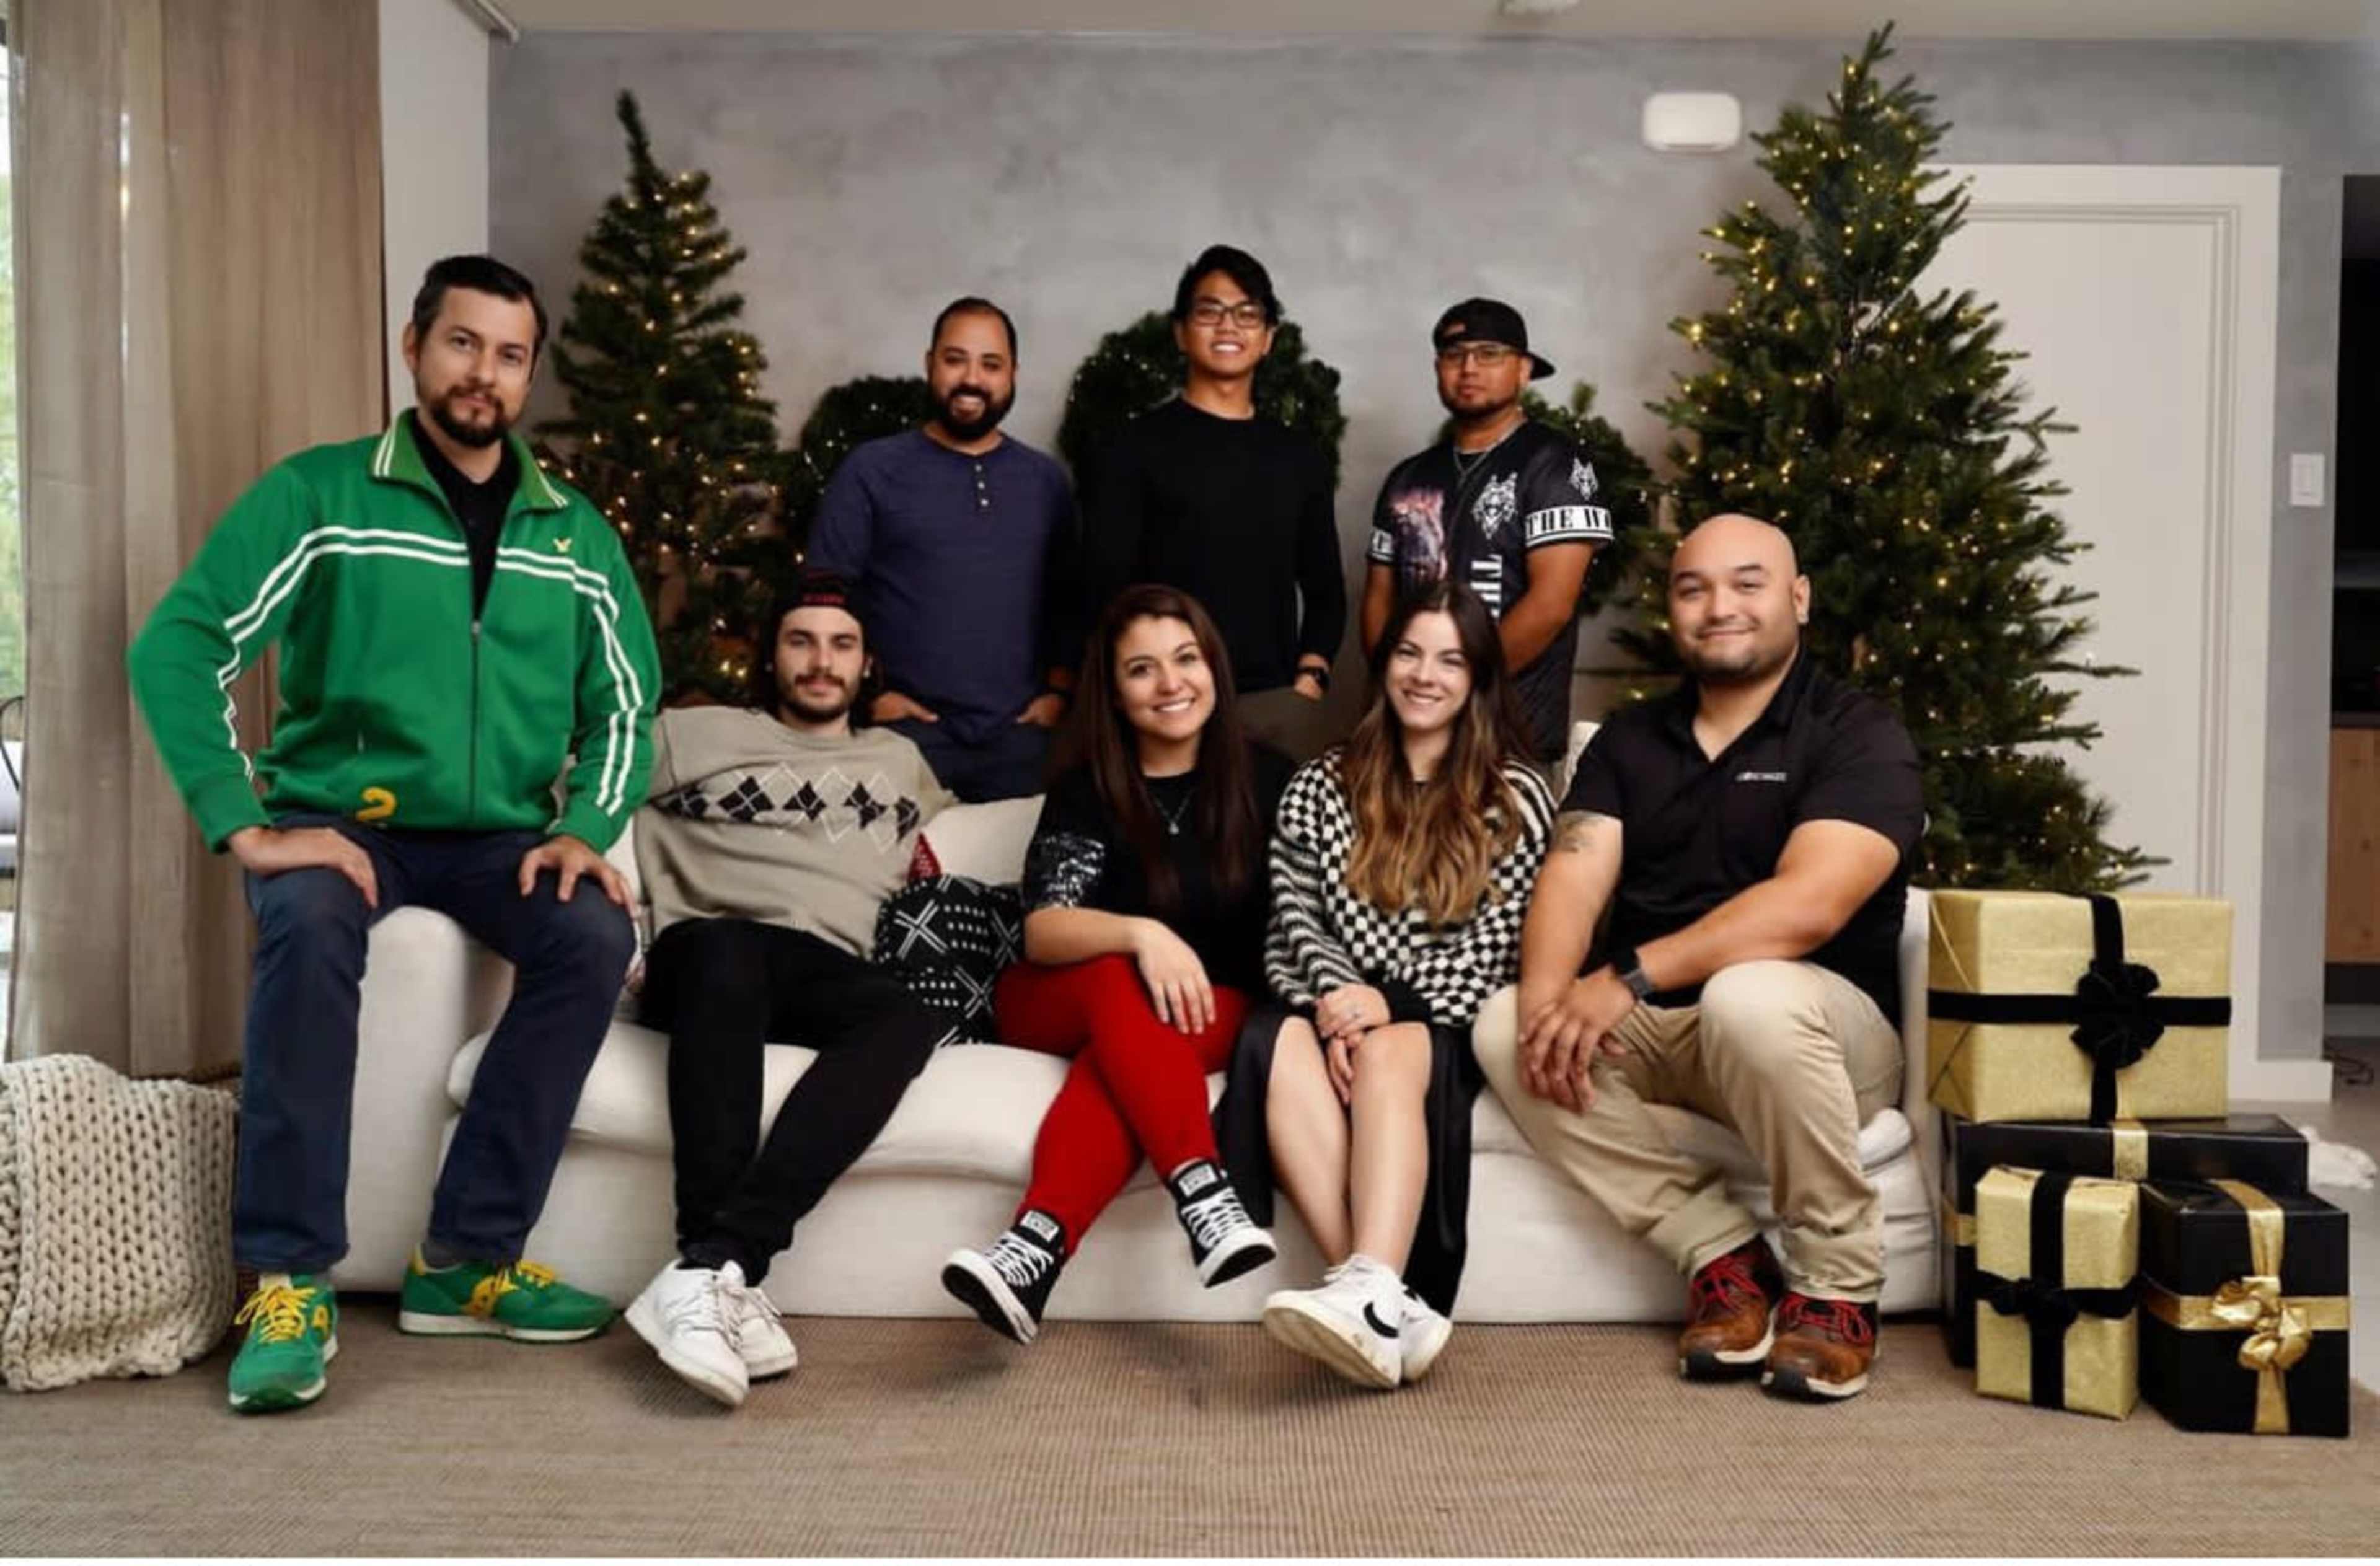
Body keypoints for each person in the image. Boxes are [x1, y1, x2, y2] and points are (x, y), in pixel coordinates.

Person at [126, 255, 660, 1414]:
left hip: (498, 836)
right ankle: (287, 1279)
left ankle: (465, 1257)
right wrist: (244, 822)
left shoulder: (574, 533)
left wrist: (585, 826)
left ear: (528, 375)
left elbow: (627, 705)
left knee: (590, 934)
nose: (484, 374)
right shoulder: (320, 495)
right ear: (413, 346)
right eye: (462, 343)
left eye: (510, 355)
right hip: (337, 819)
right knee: (311, 924)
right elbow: (179, 643)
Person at [1471, 514, 1923, 1402]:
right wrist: (1551, 1002)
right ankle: (1722, 1253)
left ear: (1798, 598)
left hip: (1822, 1039)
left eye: (1748, 583)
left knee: (1748, 994)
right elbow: (1572, 877)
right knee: (1502, 1021)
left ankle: (1837, 1283)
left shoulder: (1856, 732)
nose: (1720, 606)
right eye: (1694, 588)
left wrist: (1628, 975)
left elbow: (1810, 904)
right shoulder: (1631, 741)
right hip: (1674, 1034)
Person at [624, 571, 958, 1408]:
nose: (821, 661)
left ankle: (720, 1264)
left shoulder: (900, 763)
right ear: (770, 656)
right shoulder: (693, 734)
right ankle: (708, 1267)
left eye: (842, 645)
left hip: (821, 965)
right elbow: (573, 784)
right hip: (708, 945)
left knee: (905, 1015)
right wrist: (601, 880)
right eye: (801, 641)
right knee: (730, 955)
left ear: (867, 664)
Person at [940, 584, 1295, 1343]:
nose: (1170, 683)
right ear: (1114, 690)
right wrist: (1141, 934)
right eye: (1142, 669)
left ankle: (1032, 1250)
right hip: (1060, 997)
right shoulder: (1089, 787)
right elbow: (1045, 929)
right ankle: (1203, 1191)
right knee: (1114, 977)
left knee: (1119, 1060)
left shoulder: (1269, 779)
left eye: (1185, 659)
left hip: (1204, 1006)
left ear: (1213, 667)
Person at [1253, 581, 1554, 1389]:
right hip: (1338, 1005)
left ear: (1478, 677)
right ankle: (1383, 1300)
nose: (1425, 674)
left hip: (1450, 1020)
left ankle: (1372, 1294)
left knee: (1392, 1047)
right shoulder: (1320, 784)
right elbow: (1293, 921)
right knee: (1272, 1041)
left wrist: (1389, 1005)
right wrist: (1339, 1007)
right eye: (1411, 653)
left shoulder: (1517, 795)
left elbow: (1504, 949)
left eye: (1451, 660)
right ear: (1384, 663)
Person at [807, 297, 1080, 802]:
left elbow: (1070, 601)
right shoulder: (871, 470)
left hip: (1022, 742)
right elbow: (824, 595)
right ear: (930, 363)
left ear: (1013, 374)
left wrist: (1059, 694)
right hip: (903, 740)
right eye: (956, 360)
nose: (972, 378)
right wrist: (868, 696)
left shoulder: (1045, 481)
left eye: (990, 364)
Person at [1081, 245, 1344, 759]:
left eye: (1247, 314)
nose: (1229, 326)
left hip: (1270, 703)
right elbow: (1103, 590)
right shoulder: (1129, 449)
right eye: (1210, 311)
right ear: (1181, 332)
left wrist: (1310, 678)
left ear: (1268, 338)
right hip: (1166, 703)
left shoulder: (1299, 456)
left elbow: (1325, 588)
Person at [1362, 298, 1611, 769]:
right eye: (1454, 355)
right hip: (1408, 739)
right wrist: (1399, 690)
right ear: (1438, 369)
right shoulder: (1409, 477)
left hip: (1510, 740)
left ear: (1524, 370)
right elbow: (1379, 598)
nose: (1469, 368)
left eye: (1489, 354)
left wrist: (1454, 685)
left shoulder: (1556, 464)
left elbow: (1551, 605)